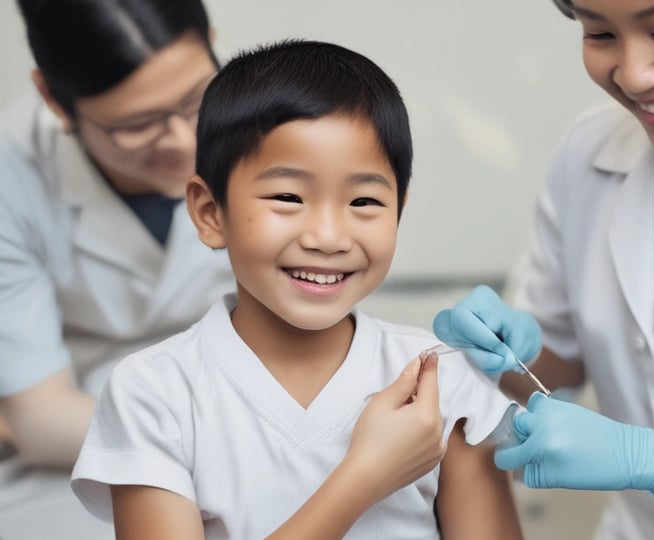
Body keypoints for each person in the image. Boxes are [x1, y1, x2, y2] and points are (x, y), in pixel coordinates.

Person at [70, 40, 525, 539]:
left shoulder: (438, 383)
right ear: (210, 212)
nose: (328, 238)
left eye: (365, 200)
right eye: (288, 197)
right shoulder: (154, 393)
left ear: (400, 208)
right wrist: (364, 477)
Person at [433, 0, 654, 538]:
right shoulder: (588, 157)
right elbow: (558, 364)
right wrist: (509, 350)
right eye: (600, 33)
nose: (634, 74)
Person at [0, 0, 235, 537]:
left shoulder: (277, 112)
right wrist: (224, 446)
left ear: (211, 46)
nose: (182, 141)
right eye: (136, 124)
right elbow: (40, 418)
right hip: (82, 447)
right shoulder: (11, 175)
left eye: (196, 98)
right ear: (54, 100)